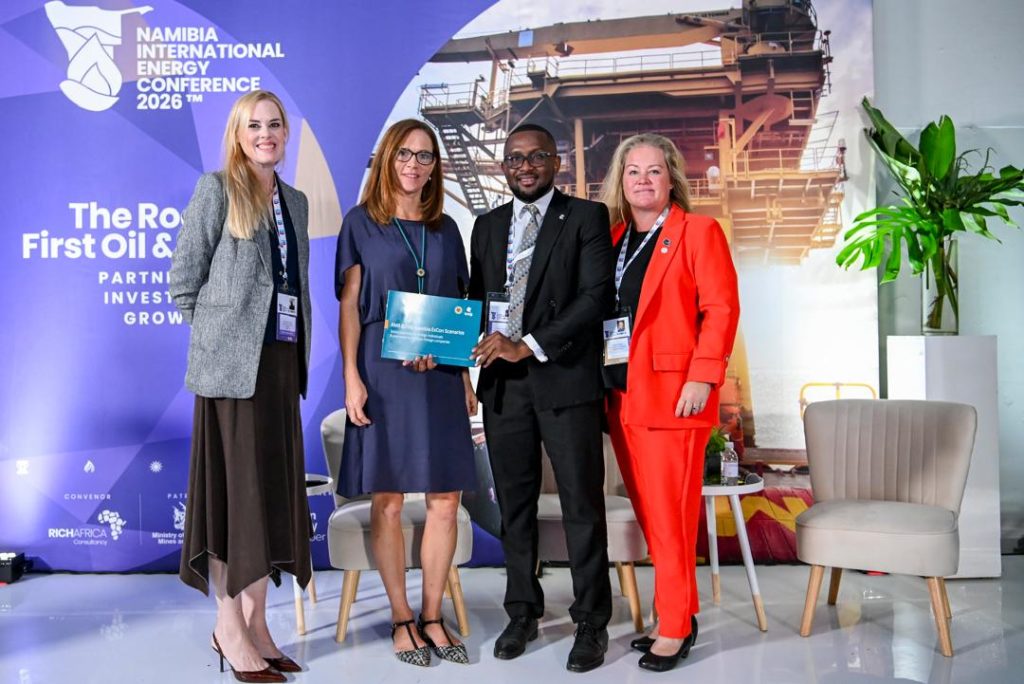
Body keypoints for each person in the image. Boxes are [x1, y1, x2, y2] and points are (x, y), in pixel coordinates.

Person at [170, 90, 311, 683]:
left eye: (275, 124)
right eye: (254, 125)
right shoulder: (216, 189)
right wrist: (218, 335)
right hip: (230, 372)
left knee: (269, 499)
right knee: (235, 500)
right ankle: (228, 626)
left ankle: (258, 622)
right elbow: (183, 281)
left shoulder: (297, 202)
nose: (266, 133)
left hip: (280, 365)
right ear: (237, 133)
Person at [468, 123, 614, 673]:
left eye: (535, 158)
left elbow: (594, 297)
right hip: (503, 388)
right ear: (503, 167)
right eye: (514, 159)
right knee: (515, 507)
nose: (524, 167)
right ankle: (522, 610)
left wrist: (525, 345)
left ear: (556, 163)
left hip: (563, 381)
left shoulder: (585, 218)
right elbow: (475, 299)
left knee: (581, 505)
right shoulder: (486, 226)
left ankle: (590, 621)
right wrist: (447, 346)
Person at [335, 118, 477, 667]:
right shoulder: (359, 223)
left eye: (425, 155)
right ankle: (400, 618)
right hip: (382, 371)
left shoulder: (447, 229)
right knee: (389, 500)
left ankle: (433, 616)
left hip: (440, 373)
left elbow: (458, 309)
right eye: (404, 154)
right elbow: (350, 304)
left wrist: (464, 374)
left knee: (445, 499)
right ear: (387, 160)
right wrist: (351, 376)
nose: (414, 164)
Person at [598, 133, 740, 672]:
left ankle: (675, 626)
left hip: (674, 396)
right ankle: (676, 611)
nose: (642, 181)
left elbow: (721, 309)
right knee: (653, 517)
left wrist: (703, 378)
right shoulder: (614, 238)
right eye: (632, 171)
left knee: (670, 517)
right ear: (621, 180)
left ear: (671, 177)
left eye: (653, 171)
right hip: (622, 396)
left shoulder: (697, 232)